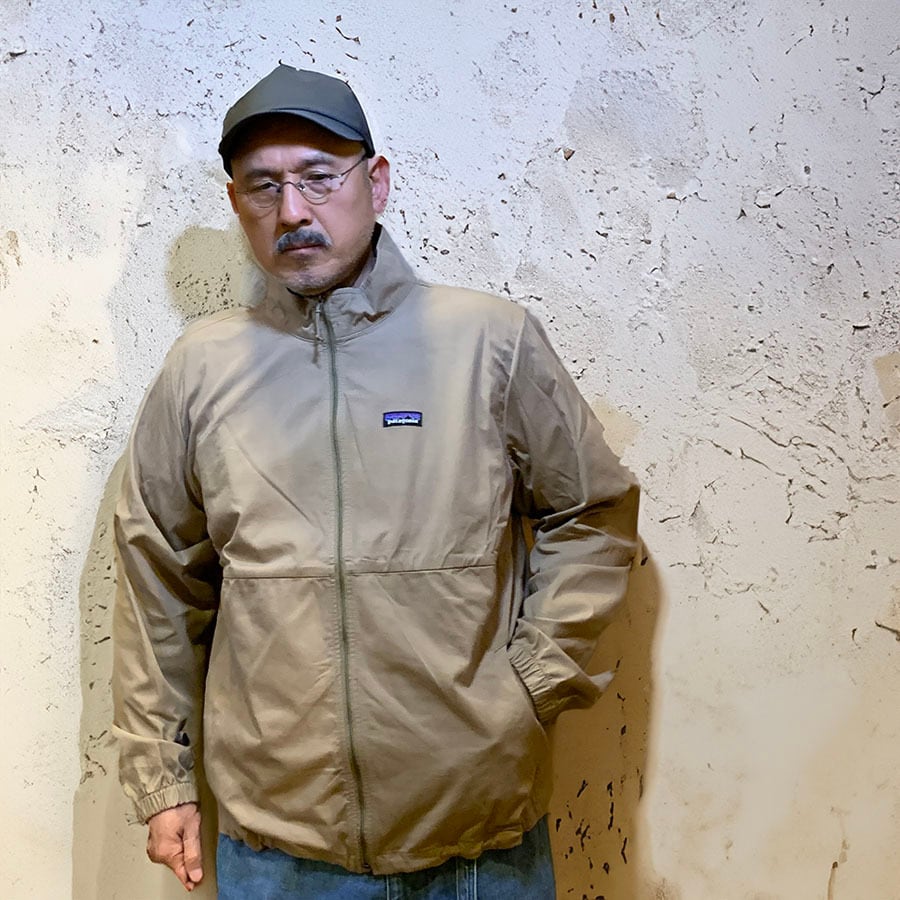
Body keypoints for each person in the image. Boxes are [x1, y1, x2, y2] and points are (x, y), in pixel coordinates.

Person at [112, 64, 640, 898]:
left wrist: (530, 686)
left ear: (377, 182)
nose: (293, 211)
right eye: (264, 187)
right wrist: (161, 777)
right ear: (237, 204)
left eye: (319, 177)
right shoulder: (200, 372)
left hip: (478, 839)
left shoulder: (488, 342)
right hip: (280, 849)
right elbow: (158, 581)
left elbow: (594, 514)